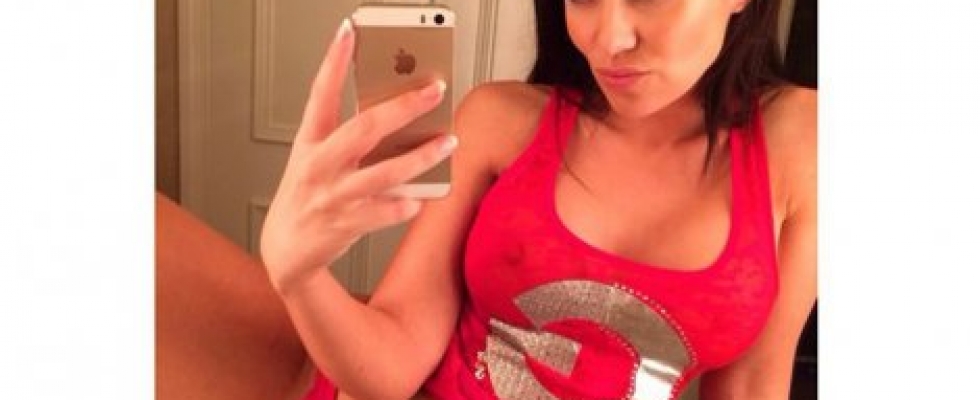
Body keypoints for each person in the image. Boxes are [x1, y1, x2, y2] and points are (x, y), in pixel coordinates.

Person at [157, 0, 815, 398]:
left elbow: (753, 386)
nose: (609, 39)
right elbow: (390, 369)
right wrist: (295, 270)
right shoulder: (502, 120)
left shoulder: (801, 143)